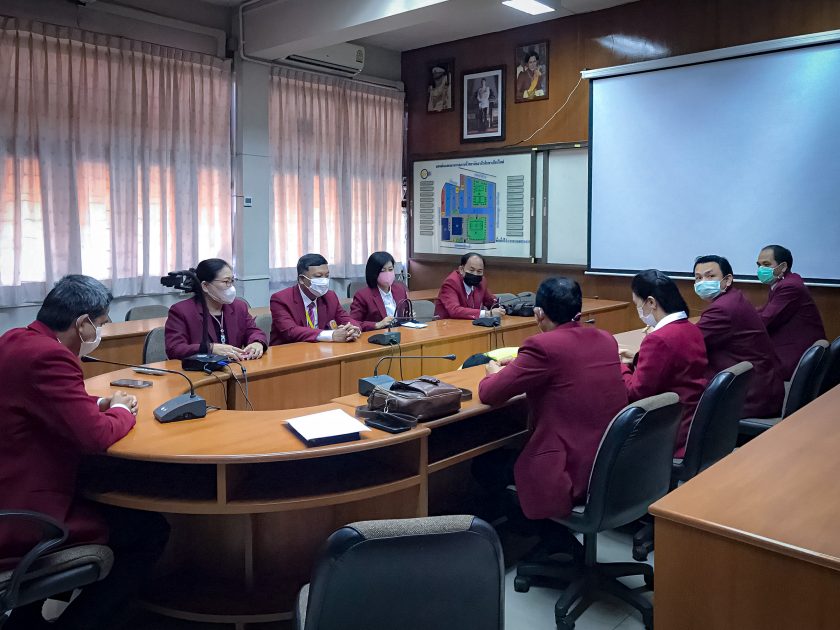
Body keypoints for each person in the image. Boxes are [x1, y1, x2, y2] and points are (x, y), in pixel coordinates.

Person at [0, 275, 169, 630]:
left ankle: (25, 622)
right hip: (26, 515)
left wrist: (99, 403)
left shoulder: (16, 339)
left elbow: (40, 399)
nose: (101, 332)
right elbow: (96, 437)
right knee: (149, 530)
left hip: (9, 487)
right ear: (82, 323)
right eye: (101, 323)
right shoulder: (51, 357)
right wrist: (121, 411)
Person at [478, 277, 628, 520]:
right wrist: (522, 365)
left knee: (484, 466)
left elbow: (490, 393)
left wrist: (493, 372)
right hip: (607, 462)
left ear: (538, 313)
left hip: (568, 470)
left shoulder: (542, 346)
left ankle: (538, 533)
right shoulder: (605, 338)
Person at [619, 270, 708, 457]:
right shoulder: (691, 328)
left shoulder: (658, 339)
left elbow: (636, 394)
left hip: (669, 432)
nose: (638, 310)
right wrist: (637, 358)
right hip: (692, 422)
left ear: (651, 302)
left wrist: (619, 365)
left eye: (638, 304)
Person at [693, 255, 785, 418]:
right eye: (698, 278)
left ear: (728, 280)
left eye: (710, 276)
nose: (703, 282)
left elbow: (687, 343)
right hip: (762, 385)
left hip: (748, 395)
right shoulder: (733, 298)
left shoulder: (721, 309)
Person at [165, 258, 267, 361]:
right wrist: (210, 348)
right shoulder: (182, 311)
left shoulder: (238, 307)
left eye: (232, 281)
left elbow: (254, 332)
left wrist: (257, 342)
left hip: (235, 367)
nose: (231, 287)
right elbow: (174, 349)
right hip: (202, 369)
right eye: (226, 281)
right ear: (205, 286)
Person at [755, 244, 826, 381]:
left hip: (794, 356)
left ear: (783, 267)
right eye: (759, 265)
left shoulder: (789, 286)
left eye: (766, 264)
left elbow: (766, 319)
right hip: (794, 348)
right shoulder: (786, 281)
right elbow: (766, 310)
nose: (761, 269)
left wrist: (740, 322)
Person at [270, 253, 362, 344]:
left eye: (327, 276)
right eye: (318, 276)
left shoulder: (330, 296)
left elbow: (345, 318)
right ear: (301, 279)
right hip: (290, 349)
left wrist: (353, 329)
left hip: (321, 348)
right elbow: (290, 331)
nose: (324, 281)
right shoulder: (281, 299)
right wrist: (331, 335)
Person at [434, 252, 505, 320]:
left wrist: (500, 308)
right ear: (461, 269)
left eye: (479, 271)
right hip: (447, 324)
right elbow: (454, 310)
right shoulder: (451, 283)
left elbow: (490, 301)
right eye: (471, 270)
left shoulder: (481, 281)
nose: (475, 274)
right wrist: (487, 313)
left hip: (470, 324)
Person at [350, 251, 410, 331]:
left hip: (401, 333)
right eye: (383, 270)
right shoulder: (362, 296)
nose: (387, 273)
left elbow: (405, 315)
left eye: (390, 269)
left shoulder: (400, 290)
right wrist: (377, 324)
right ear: (373, 272)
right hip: (377, 336)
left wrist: (408, 317)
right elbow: (353, 323)